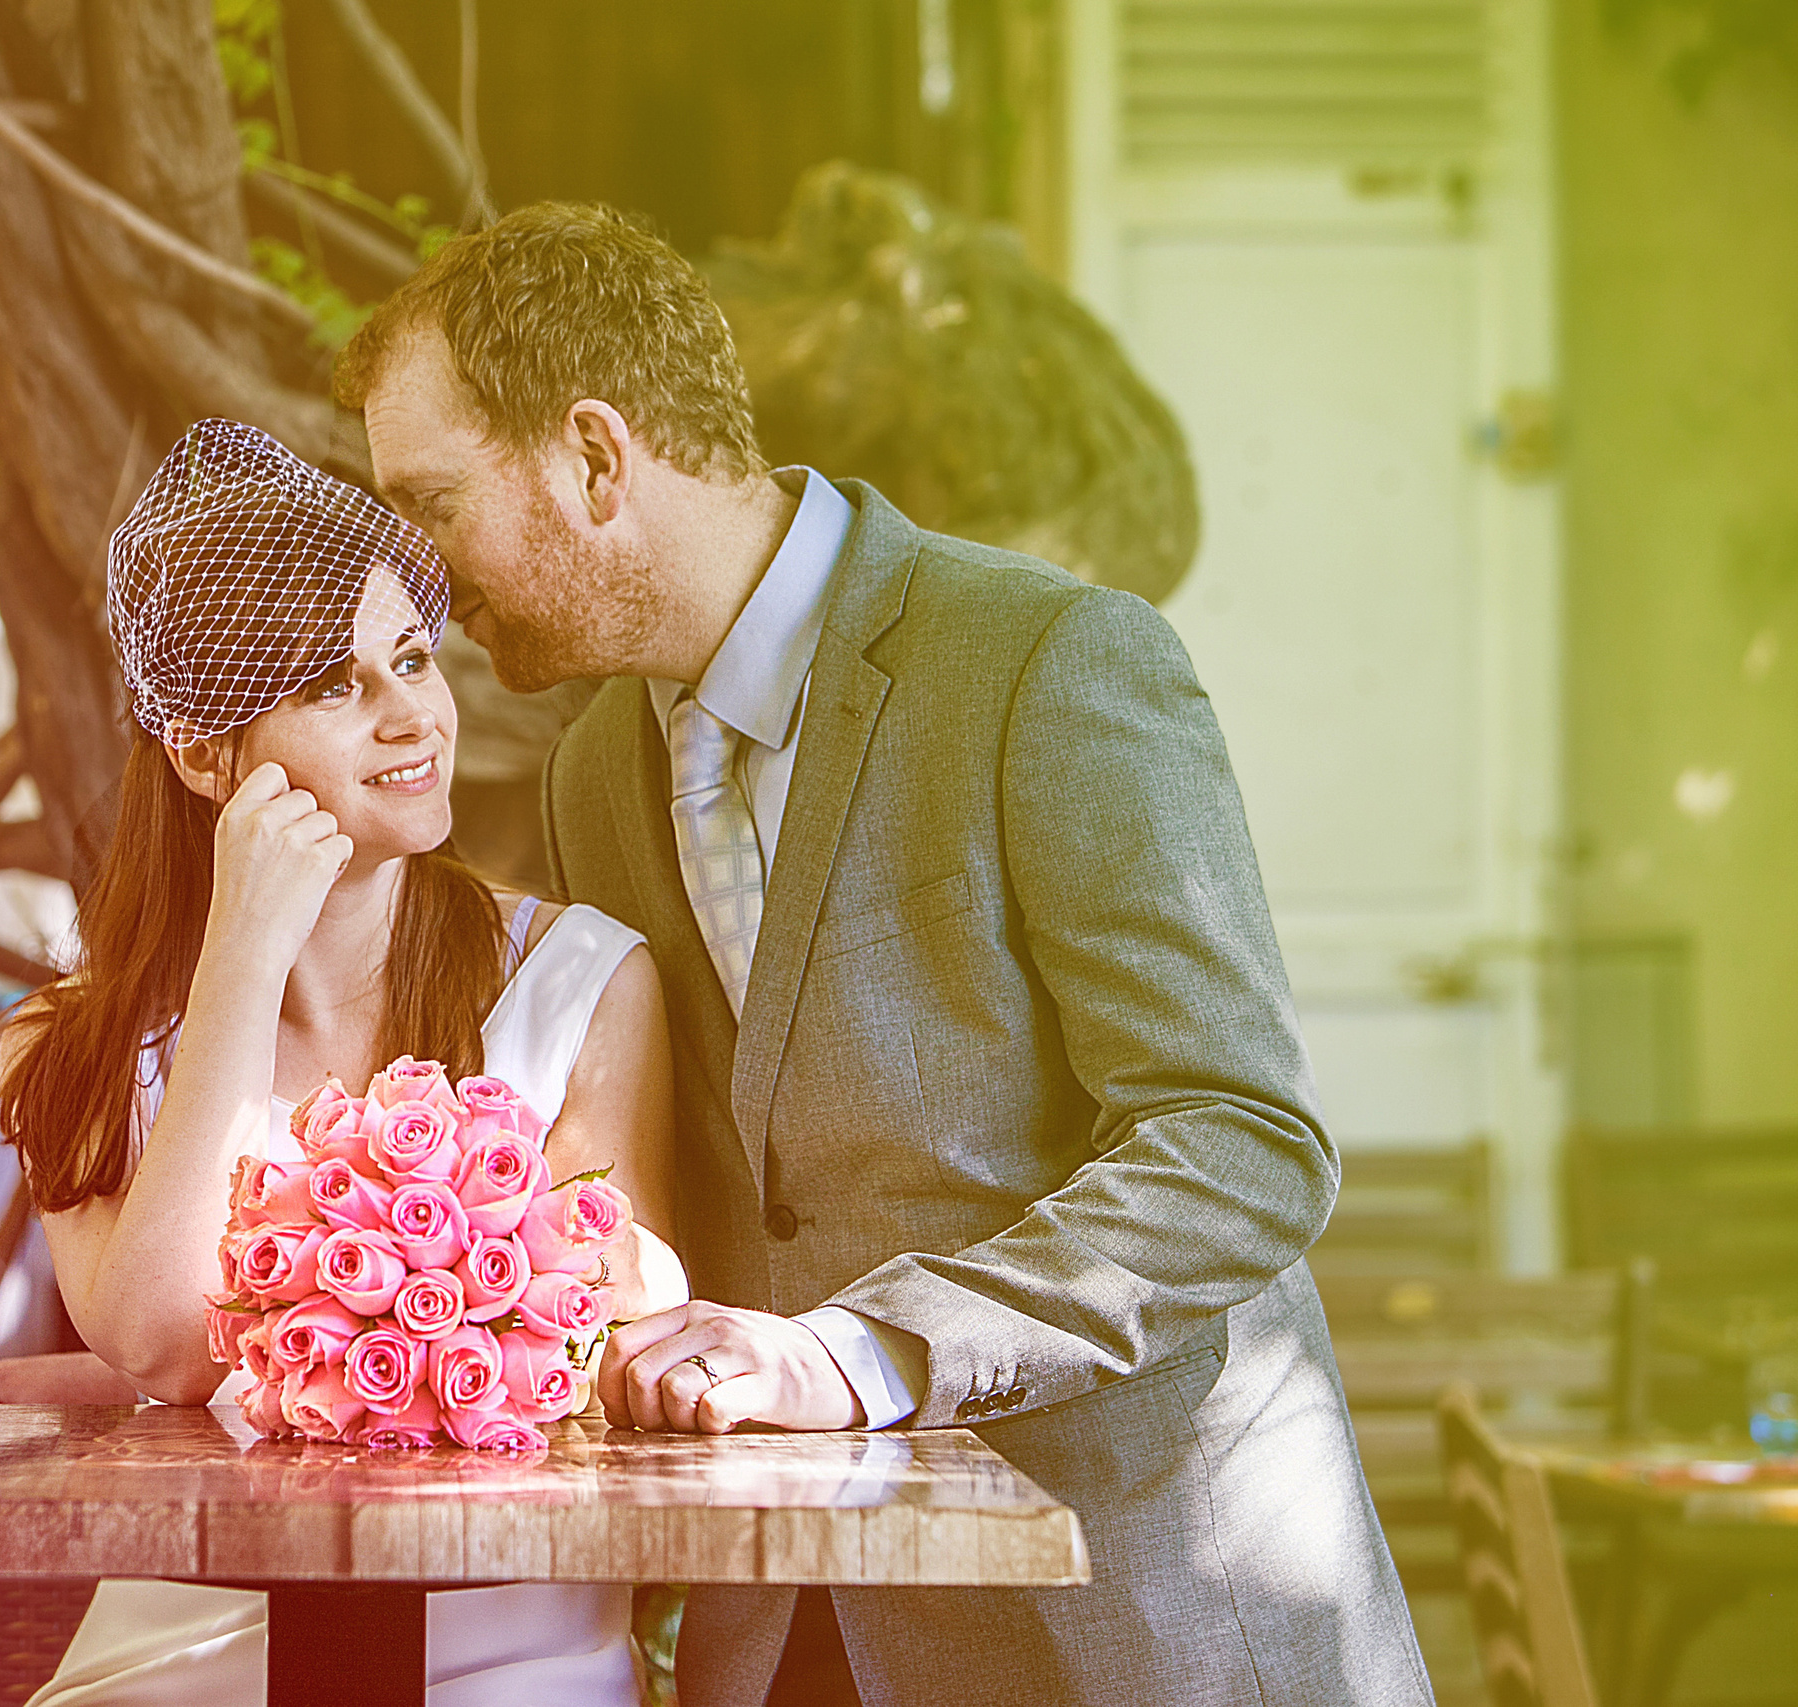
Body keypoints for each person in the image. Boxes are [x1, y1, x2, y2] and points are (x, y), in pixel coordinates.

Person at [335, 205, 1435, 1707]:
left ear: (594, 459)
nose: (417, 568)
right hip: (801, 1628)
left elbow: (1240, 1143)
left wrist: (870, 1353)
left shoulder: (1054, 664)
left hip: (1132, 1612)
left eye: (435, 502)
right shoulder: (596, 770)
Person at [0, 417, 686, 1707]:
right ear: (207, 754)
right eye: (331, 685)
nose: (411, 716)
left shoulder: (585, 984)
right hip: (192, 1642)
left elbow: (593, 1351)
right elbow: (161, 1346)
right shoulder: (69, 1043)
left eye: (412, 658)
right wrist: (243, 958)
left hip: (516, 1638)